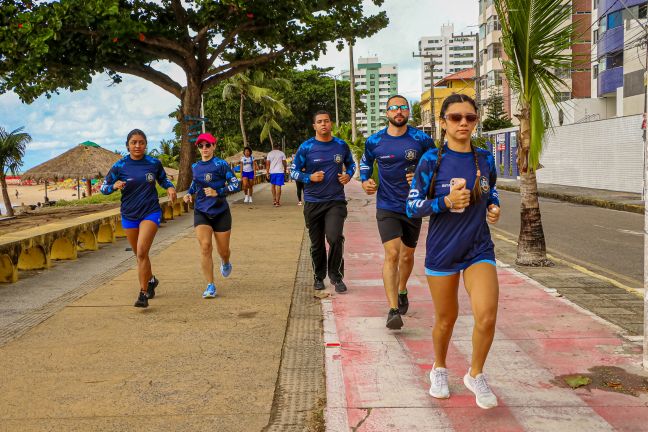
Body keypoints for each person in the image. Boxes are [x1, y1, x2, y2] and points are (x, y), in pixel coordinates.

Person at [406, 94, 501, 409]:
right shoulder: (431, 161)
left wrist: (494, 206)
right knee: (446, 319)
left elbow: (492, 189)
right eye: (456, 117)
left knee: (486, 316)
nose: (463, 123)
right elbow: (412, 206)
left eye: (470, 118)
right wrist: (444, 203)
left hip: (478, 248)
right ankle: (440, 367)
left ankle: (475, 374)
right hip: (443, 250)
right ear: (443, 122)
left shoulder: (485, 159)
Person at [360, 95, 434, 330]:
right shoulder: (374, 141)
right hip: (387, 206)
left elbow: (436, 164)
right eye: (394, 108)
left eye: (403, 107)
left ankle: (402, 289)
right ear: (387, 112)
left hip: (413, 206)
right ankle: (393, 310)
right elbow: (365, 163)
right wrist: (365, 181)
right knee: (392, 254)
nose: (399, 111)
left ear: (408, 112)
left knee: (406, 256)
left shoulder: (421, 139)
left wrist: (423, 178)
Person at [101, 129, 177, 308]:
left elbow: (164, 180)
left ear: (146, 144)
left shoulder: (153, 163)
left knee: (142, 252)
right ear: (127, 145)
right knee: (139, 255)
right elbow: (103, 188)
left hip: (150, 212)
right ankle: (150, 280)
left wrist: (170, 187)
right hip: (129, 214)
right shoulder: (120, 166)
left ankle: (143, 294)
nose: (137, 146)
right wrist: (114, 185)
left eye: (141, 142)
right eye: (134, 142)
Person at [290, 110, 356, 293]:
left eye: (326, 121)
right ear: (314, 126)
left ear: (331, 123)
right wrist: (309, 176)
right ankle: (318, 276)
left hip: (335, 200)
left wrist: (348, 175)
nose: (323, 124)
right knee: (316, 243)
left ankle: (335, 275)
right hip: (313, 202)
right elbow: (293, 171)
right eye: (319, 122)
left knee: (334, 237)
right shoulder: (306, 147)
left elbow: (351, 164)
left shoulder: (341, 146)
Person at [184, 133, 240, 299]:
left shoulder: (221, 164)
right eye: (201, 146)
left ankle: (226, 261)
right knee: (205, 246)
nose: (204, 149)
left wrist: (218, 192)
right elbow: (195, 183)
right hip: (201, 211)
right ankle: (210, 285)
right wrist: (188, 193)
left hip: (221, 211)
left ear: (214, 146)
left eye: (208, 145)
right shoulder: (195, 167)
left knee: (223, 251)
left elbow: (235, 184)